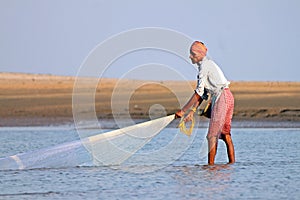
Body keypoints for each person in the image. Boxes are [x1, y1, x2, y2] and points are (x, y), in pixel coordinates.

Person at [175, 41, 235, 165]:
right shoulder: (207, 65)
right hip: (228, 96)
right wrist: (191, 111)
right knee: (225, 134)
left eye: (193, 54)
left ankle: (211, 167)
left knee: (211, 136)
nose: (190, 56)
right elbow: (203, 94)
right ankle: (232, 165)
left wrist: (183, 111)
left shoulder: (205, 66)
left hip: (222, 97)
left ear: (200, 54)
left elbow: (198, 92)